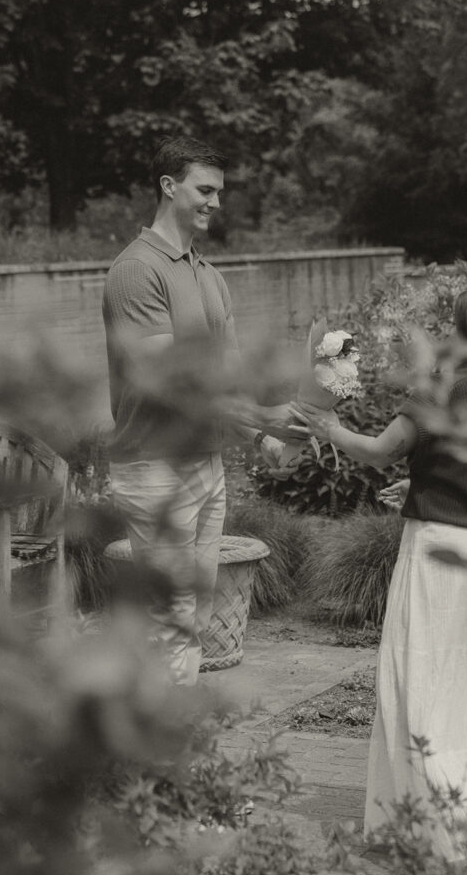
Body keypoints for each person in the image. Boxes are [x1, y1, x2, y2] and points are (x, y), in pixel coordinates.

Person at [292, 285, 467, 867]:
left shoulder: (441, 389)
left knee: (421, 686)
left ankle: (426, 824)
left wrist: (328, 428)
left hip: (440, 559)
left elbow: (377, 451)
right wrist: (422, 486)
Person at [102, 135, 302, 685]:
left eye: (219, 192)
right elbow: (174, 385)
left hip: (205, 466)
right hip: (155, 467)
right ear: (169, 186)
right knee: (171, 621)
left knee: (196, 620)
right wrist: (266, 418)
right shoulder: (136, 271)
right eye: (205, 189)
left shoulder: (209, 275)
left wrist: (266, 440)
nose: (215, 202)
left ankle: (167, 745)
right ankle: (160, 756)